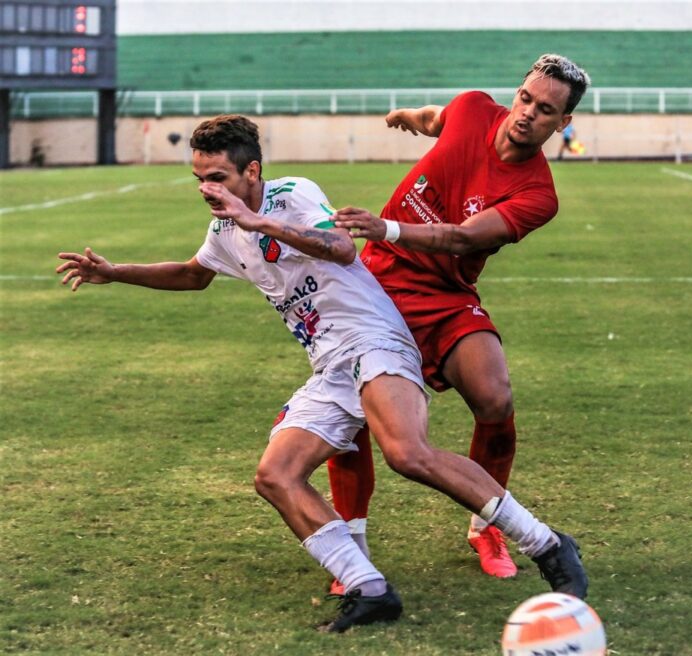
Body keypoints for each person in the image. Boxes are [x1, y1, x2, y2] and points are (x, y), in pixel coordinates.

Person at [56, 114, 587, 632]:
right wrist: (115, 272)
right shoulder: (224, 229)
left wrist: (261, 222)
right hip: (330, 367)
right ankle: (369, 588)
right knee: (275, 476)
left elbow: (342, 247)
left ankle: (545, 543)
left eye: (217, 177)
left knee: (407, 453)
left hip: (375, 340)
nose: (206, 190)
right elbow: (193, 275)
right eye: (199, 179)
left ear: (252, 171)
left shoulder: (292, 195)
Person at [330, 54, 591, 583]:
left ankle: (487, 527)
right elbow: (435, 119)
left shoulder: (537, 195)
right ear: (516, 93)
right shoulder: (472, 107)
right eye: (525, 98)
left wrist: (387, 227)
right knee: (350, 409)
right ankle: (351, 540)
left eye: (545, 110)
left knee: (496, 398)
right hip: (377, 284)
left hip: (445, 293)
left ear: (563, 123)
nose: (528, 113)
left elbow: (463, 237)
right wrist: (405, 115)